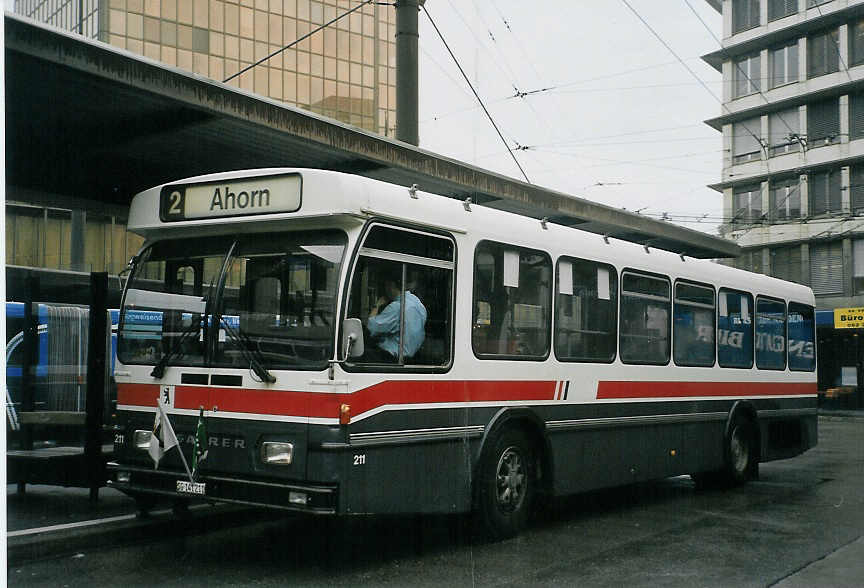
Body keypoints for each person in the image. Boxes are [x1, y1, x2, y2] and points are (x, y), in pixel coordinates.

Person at [366, 274, 427, 362]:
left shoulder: (396, 307)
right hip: (413, 357)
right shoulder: (418, 304)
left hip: (391, 358)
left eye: (386, 286)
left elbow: (371, 327)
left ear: (391, 285)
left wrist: (377, 305)